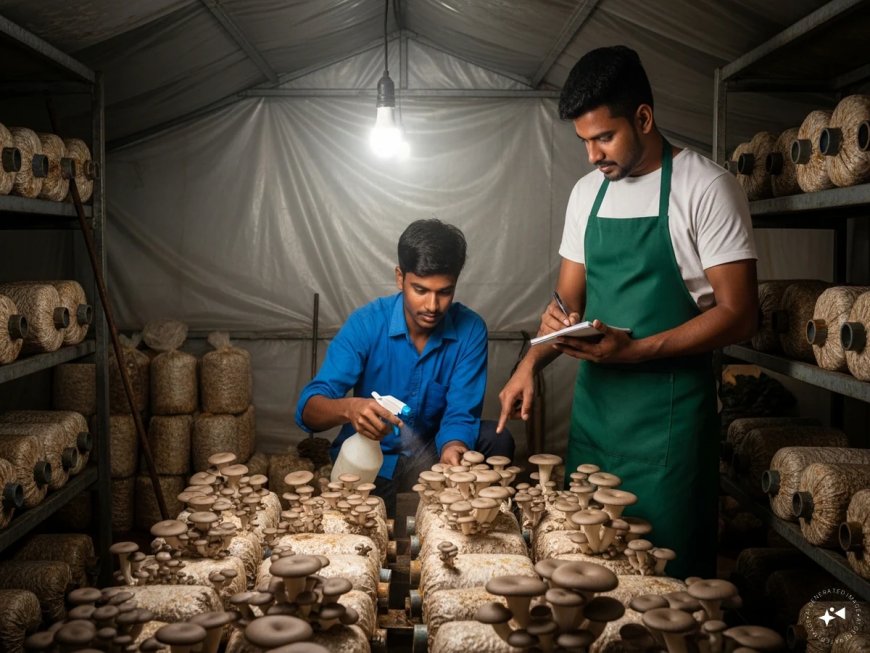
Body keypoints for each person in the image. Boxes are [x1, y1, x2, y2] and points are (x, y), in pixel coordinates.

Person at [497, 45, 758, 578]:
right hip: (595, 422)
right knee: (586, 573)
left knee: (669, 589)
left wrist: (636, 349)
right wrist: (528, 365)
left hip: (668, 426)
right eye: (583, 141)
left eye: (604, 137)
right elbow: (568, 303)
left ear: (643, 117)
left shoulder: (705, 188)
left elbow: (740, 313)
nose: (592, 155)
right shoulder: (586, 194)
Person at [296, 218, 514, 512]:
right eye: (420, 290)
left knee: (494, 437)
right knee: (369, 532)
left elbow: (461, 413)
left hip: (430, 454)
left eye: (445, 292)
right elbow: (308, 409)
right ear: (400, 278)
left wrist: (453, 447)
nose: (432, 306)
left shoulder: (470, 329)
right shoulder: (367, 324)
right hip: (373, 458)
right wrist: (349, 409)